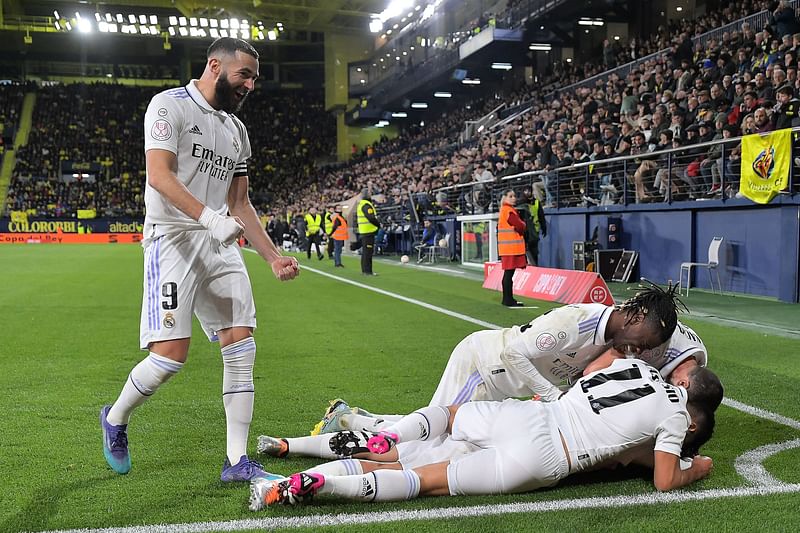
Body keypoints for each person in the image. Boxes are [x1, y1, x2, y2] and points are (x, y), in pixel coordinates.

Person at [98, 37, 300, 482]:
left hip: (220, 242)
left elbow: (241, 204)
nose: (250, 85)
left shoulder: (236, 131)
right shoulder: (169, 106)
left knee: (241, 343)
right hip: (172, 239)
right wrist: (210, 219)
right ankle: (115, 416)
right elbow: (159, 175)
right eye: (244, 74)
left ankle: (236, 462)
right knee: (170, 356)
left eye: (255, 78)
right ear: (214, 66)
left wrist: (271, 256)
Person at [250, 356, 720, 509]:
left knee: (449, 416)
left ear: (682, 376)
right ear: (694, 409)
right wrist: (694, 468)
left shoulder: (634, 364)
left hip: (536, 416)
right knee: (428, 479)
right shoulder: (677, 418)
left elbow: (594, 367)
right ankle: (324, 485)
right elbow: (663, 479)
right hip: (548, 458)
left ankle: (392, 434)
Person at [307, 284, 686, 436]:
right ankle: (348, 421)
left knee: (443, 433)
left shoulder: (613, 338)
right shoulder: (576, 321)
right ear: (634, 318)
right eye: (643, 341)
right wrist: (549, 394)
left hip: (502, 384)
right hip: (483, 366)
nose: (639, 349)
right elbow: (513, 353)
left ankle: (350, 417)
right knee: (429, 434)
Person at [497, 189, 527, 307]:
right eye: (510, 196)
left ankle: (508, 299)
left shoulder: (505, 210)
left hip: (507, 248)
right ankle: (508, 299)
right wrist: (524, 224)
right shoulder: (508, 210)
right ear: (504, 198)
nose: (514, 198)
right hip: (511, 248)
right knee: (509, 275)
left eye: (514, 196)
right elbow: (519, 225)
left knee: (508, 275)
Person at [515, 188, 547, 266]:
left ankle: (534, 268)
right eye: (526, 190)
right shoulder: (520, 203)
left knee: (534, 253)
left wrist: (544, 227)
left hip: (534, 232)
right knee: (524, 252)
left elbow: (541, 216)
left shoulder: (536, 202)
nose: (528, 192)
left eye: (529, 190)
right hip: (524, 232)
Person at [357, 189, 380, 276]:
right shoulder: (366, 205)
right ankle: (367, 271)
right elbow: (371, 217)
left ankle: (365, 270)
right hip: (368, 231)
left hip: (364, 231)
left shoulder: (362, 204)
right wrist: (378, 224)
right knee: (368, 253)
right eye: (369, 193)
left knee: (366, 252)